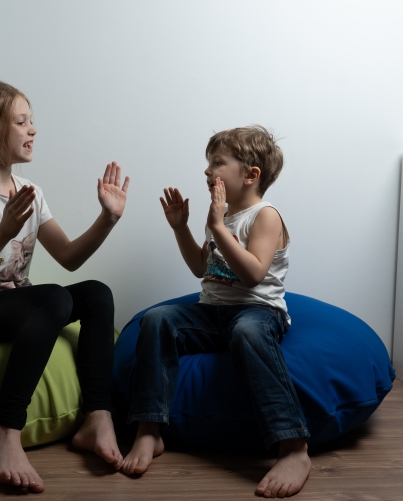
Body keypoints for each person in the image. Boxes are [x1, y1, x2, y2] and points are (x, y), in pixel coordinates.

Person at [0, 79, 129, 493]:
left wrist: (108, 219)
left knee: (96, 293)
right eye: (21, 122)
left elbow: (69, 257)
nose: (33, 129)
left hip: (17, 305)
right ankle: (4, 432)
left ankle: (98, 417)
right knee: (53, 297)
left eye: (30, 121)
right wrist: (3, 232)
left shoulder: (30, 192)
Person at [119, 126, 310, 498]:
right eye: (208, 163)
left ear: (250, 175)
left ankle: (293, 447)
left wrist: (218, 226)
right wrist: (181, 228)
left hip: (258, 313)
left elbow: (253, 274)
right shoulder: (220, 215)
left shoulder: (264, 216)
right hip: (212, 314)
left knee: (246, 331)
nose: (208, 171)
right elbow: (200, 267)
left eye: (218, 163)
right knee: (156, 319)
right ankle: (149, 429)